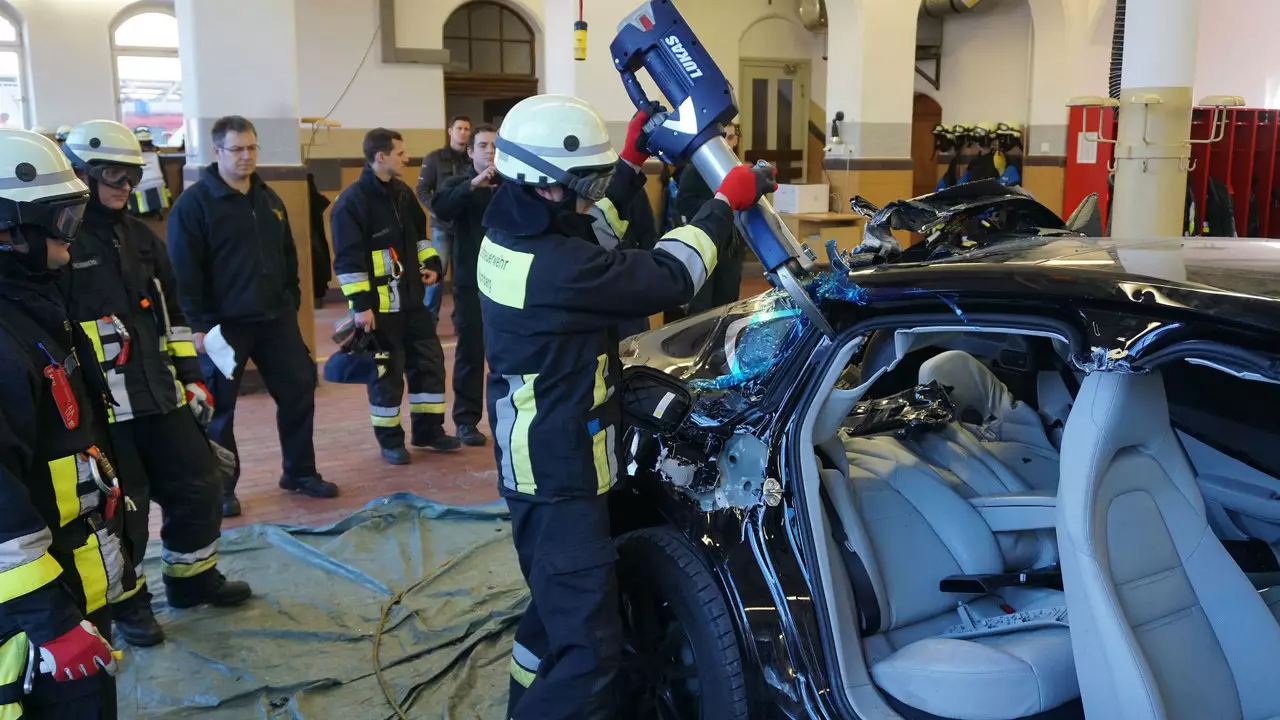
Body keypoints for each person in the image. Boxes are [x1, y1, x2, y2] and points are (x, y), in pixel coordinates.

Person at [480, 95, 776, 719]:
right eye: (579, 183)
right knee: (590, 653)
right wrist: (724, 204)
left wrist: (629, 163)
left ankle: (522, 701)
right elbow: (672, 275)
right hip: (560, 475)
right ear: (543, 183)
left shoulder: (511, 229)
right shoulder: (556, 269)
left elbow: (594, 230)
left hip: (540, 459)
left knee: (555, 612)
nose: (588, 195)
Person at [60, 120, 252, 648]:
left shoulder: (140, 237)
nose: (124, 185)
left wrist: (192, 379)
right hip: (103, 409)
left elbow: (173, 316)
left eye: (131, 175)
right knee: (123, 509)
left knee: (202, 482)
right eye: (112, 174)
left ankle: (191, 581)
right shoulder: (61, 245)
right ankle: (130, 605)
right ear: (81, 174)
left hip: (159, 395)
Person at [0, 127, 131, 718]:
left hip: (70, 584)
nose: (70, 247)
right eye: (63, 225)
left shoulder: (31, 308)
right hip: (33, 624)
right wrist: (52, 624)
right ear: (9, 232)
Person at [167, 115, 337, 517]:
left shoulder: (267, 198)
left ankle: (299, 472)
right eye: (237, 149)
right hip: (223, 328)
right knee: (219, 409)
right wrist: (198, 325)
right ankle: (222, 488)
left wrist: (290, 298)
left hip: (274, 320)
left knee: (298, 391)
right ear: (217, 152)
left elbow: (288, 255)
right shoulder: (194, 205)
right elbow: (183, 271)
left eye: (252, 148)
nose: (246, 157)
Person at [331, 128, 461, 465]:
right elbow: (348, 261)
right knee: (386, 375)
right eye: (400, 153)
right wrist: (361, 307)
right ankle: (390, 440)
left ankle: (429, 431)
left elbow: (419, 237)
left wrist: (430, 262)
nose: (406, 158)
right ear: (380, 157)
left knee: (429, 364)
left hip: (413, 303)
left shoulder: (403, 194)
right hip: (380, 308)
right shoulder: (352, 203)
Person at [430, 123, 499, 447]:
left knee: (508, 353)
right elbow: (441, 208)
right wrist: (473, 185)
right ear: (470, 152)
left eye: (495, 146)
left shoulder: (512, 184)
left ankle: (504, 416)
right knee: (471, 353)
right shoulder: (459, 184)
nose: (490, 151)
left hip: (508, 284)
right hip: (471, 282)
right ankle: (466, 421)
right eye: (483, 145)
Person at [676, 121, 745, 314]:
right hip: (704, 241)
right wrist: (717, 208)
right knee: (702, 304)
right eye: (723, 138)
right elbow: (684, 204)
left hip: (731, 244)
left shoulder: (739, 169)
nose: (727, 143)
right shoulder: (695, 169)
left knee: (728, 302)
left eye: (731, 137)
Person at [415, 115, 472, 325]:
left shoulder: (472, 158)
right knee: (436, 275)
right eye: (460, 128)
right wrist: (438, 210)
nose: (464, 133)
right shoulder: (434, 158)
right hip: (442, 227)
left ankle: (462, 321)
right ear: (450, 131)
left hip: (466, 226)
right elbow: (422, 190)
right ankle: (428, 322)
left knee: (463, 277)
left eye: (467, 129)